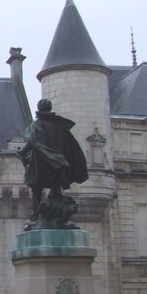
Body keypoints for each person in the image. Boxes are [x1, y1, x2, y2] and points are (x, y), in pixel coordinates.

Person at [17, 98, 88, 229]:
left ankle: (36, 216)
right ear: (50, 108)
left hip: (41, 164)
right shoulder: (60, 126)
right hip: (58, 164)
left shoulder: (36, 125)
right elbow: (70, 147)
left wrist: (22, 152)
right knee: (56, 188)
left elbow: (33, 142)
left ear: (39, 109)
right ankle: (54, 217)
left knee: (36, 188)